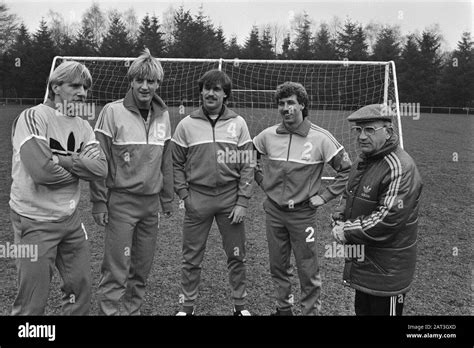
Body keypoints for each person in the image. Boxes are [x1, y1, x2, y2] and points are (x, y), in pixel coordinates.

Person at [10, 61, 108, 315]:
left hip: (70, 221)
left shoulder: (84, 126)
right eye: (74, 85)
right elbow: (42, 173)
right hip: (33, 221)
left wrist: (61, 161)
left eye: (85, 87)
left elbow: (100, 169)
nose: (82, 93)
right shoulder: (33, 117)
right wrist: (79, 171)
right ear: (55, 87)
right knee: (32, 301)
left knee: (81, 289)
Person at [253, 81, 352, 315]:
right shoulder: (268, 135)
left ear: (302, 105)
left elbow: (347, 170)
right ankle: (283, 309)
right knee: (278, 265)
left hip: (302, 215)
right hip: (274, 212)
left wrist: (325, 196)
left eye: (291, 103)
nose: (286, 108)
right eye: (281, 104)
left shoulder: (321, 138)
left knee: (307, 268)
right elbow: (248, 157)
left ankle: (310, 312)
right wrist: (262, 181)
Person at [90, 49, 174, 316]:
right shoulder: (111, 112)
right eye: (139, 80)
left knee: (141, 267)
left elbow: (166, 160)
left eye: (150, 81)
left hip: (150, 207)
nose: (145, 86)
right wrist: (99, 203)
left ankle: (132, 312)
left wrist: (168, 199)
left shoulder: (164, 115)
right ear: (131, 81)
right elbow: (97, 162)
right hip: (121, 204)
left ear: (158, 84)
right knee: (116, 267)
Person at [172, 69, 254, 316]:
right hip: (198, 198)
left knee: (237, 256)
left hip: (230, 199)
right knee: (191, 258)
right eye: (207, 88)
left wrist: (242, 201)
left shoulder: (238, 123)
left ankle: (239, 306)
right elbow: (175, 163)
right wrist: (184, 196)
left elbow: (248, 163)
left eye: (216, 89)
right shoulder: (186, 124)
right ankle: (187, 307)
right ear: (201, 92)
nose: (210, 93)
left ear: (225, 94)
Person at [331, 103, 423, 316]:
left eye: (370, 130)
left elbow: (387, 218)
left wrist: (346, 231)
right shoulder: (364, 159)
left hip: (387, 275)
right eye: (358, 130)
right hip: (365, 266)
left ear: (388, 131)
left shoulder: (400, 167)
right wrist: (339, 217)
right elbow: (348, 195)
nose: (362, 136)